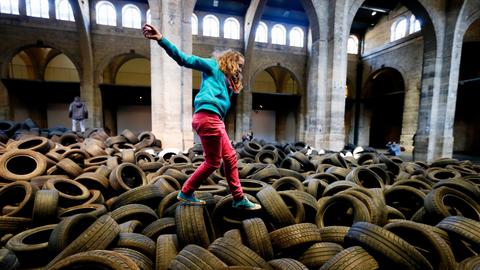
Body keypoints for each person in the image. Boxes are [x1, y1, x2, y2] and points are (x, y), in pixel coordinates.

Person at [143, 23, 261, 210]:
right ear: (230, 61)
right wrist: (161, 39)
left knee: (215, 161)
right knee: (228, 157)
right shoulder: (213, 66)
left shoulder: (229, 83)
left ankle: (187, 192)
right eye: (239, 65)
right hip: (208, 118)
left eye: (242, 67)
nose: (240, 69)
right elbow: (184, 59)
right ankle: (238, 198)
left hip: (207, 119)